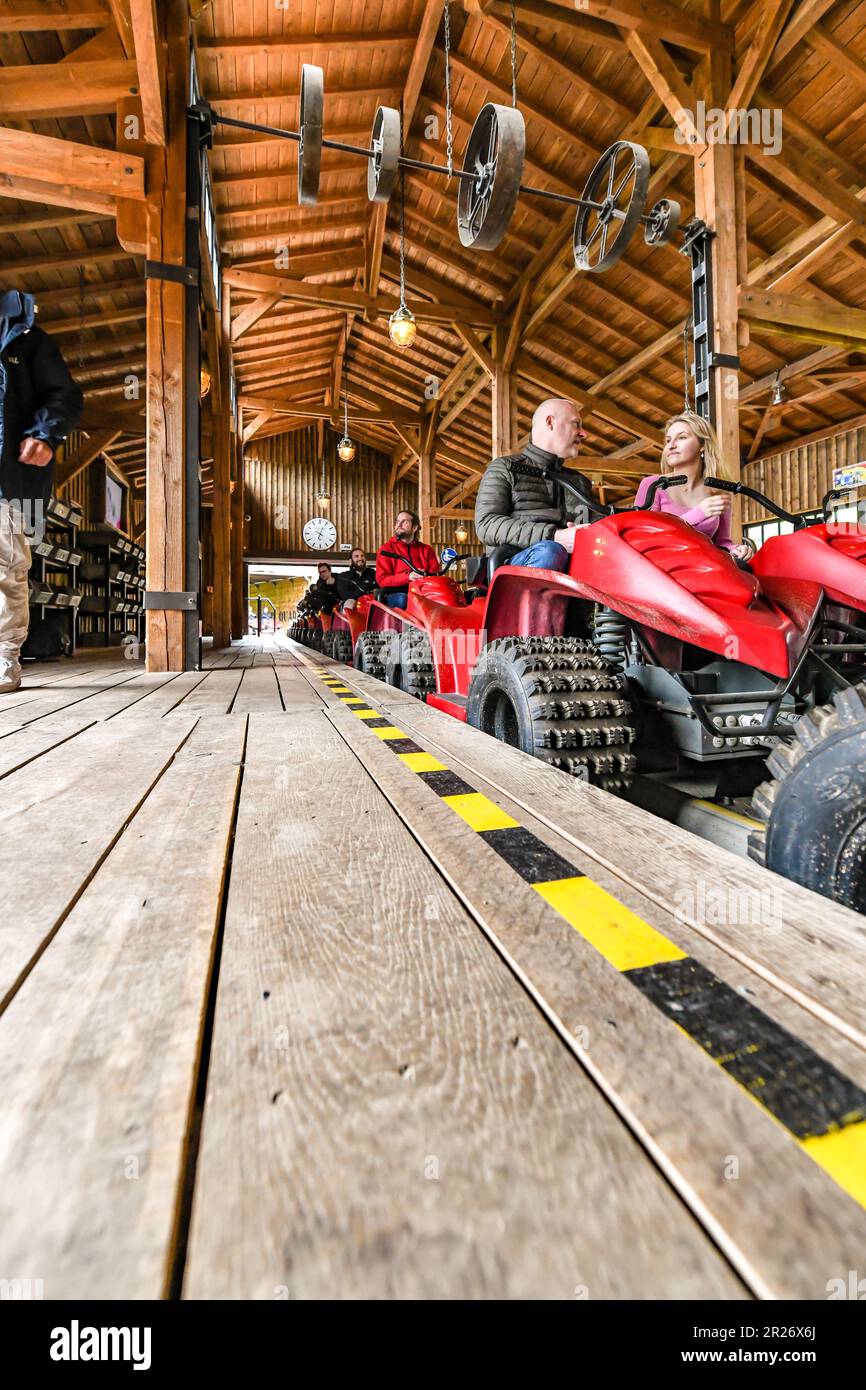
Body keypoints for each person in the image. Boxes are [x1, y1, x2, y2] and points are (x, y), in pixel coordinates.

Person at [0, 288, 83, 692]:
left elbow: (64, 395)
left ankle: (3, 661)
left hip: (12, 480)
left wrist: (44, 434)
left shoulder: (29, 339)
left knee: (4, 569)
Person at [474, 397, 593, 571]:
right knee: (550, 552)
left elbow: (598, 524)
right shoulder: (505, 468)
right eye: (576, 424)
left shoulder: (579, 481)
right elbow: (487, 524)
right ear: (550, 422)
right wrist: (554, 536)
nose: (584, 433)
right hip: (518, 562)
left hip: (573, 565)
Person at [635, 413, 755, 564]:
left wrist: (736, 549)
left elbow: (721, 543)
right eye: (668, 440)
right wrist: (699, 513)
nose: (671, 445)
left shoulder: (718, 491)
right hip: (661, 572)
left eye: (682, 437)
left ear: (702, 445)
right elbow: (643, 539)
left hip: (704, 569)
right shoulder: (653, 485)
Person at [375, 510, 440, 610]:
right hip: (396, 593)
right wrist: (408, 576)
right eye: (397, 522)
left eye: (404, 522)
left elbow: (436, 576)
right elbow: (382, 579)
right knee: (403, 599)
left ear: (414, 528)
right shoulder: (386, 549)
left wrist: (424, 576)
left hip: (423, 592)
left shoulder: (427, 550)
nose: (399, 525)